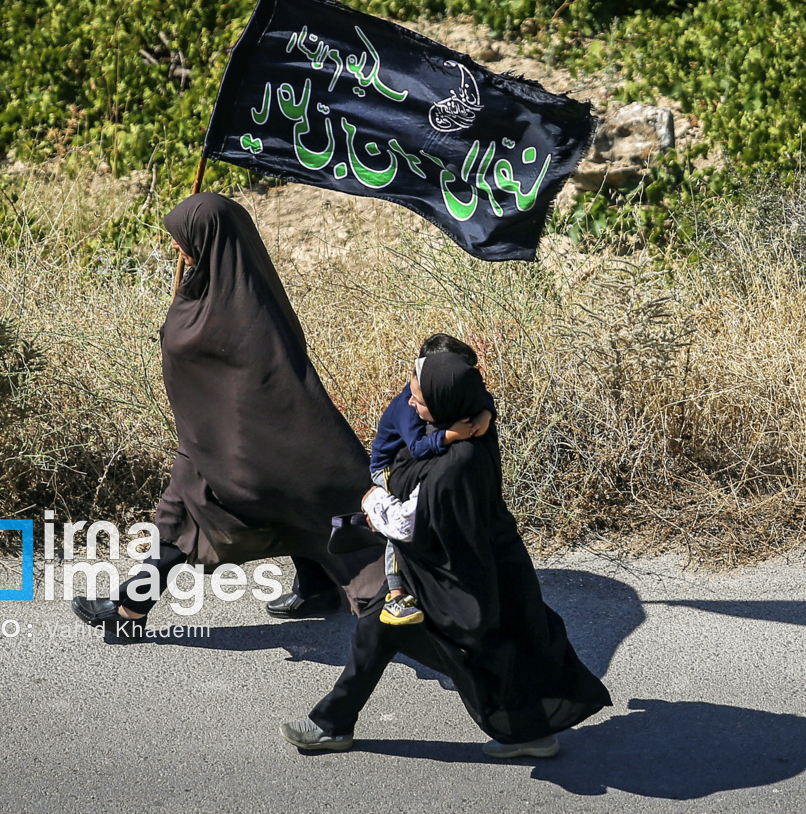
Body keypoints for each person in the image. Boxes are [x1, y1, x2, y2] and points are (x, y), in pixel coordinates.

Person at [71, 192, 385, 642]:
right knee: (207, 514)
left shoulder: (239, 306)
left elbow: (210, 358)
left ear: (211, 239)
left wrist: (176, 328)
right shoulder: (220, 286)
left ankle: (129, 606)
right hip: (215, 435)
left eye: (184, 239)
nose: (177, 248)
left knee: (189, 516)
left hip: (241, 445)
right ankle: (316, 588)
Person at [280, 352, 612, 758]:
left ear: (444, 400)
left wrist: (372, 501)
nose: (411, 404)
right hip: (487, 561)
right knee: (392, 630)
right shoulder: (473, 427)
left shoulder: (452, 465)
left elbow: (407, 524)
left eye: (419, 397)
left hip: (451, 579)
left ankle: (524, 731)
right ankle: (332, 723)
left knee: (468, 652)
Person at [367, 334, 494, 627]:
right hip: (387, 467)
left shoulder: (441, 391)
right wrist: (452, 435)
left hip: (415, 460)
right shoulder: (409, 405)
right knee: (398, 523)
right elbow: (418, 448)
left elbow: (480, 394)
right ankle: (395, 593)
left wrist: (487, 412)